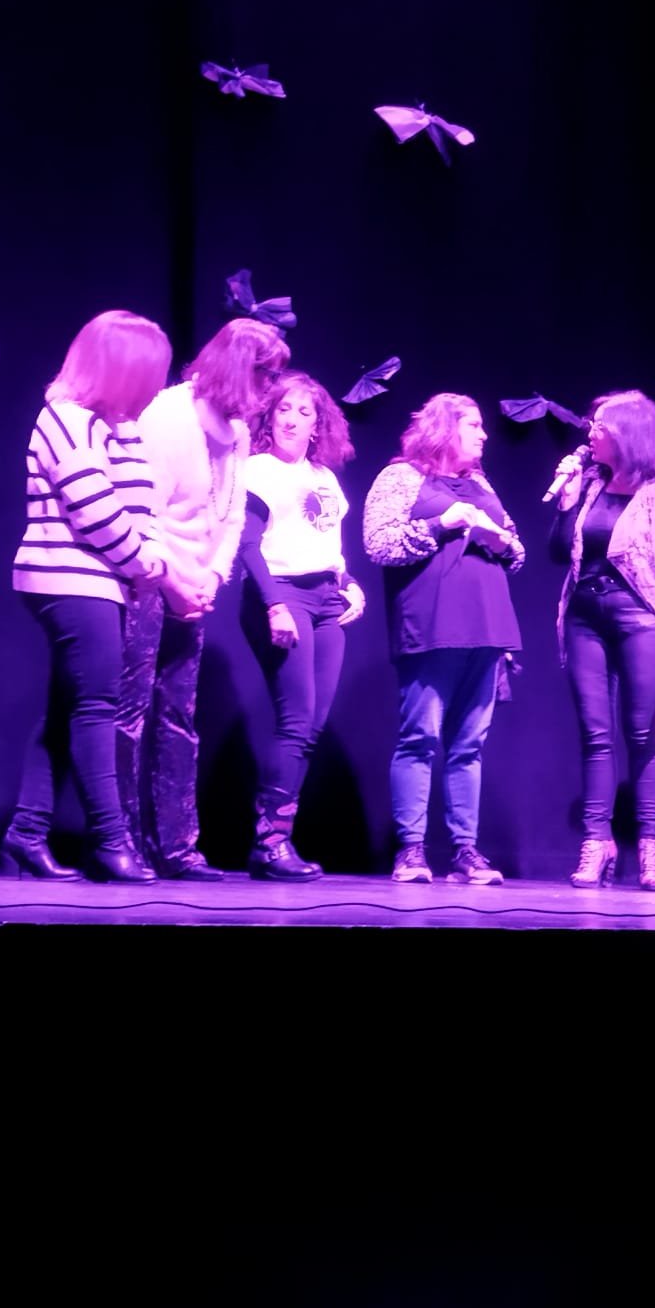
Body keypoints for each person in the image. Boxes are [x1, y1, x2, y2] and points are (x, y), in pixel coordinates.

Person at [6, 310, 202, 883]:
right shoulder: (66, 419)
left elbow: (141, 509)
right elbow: (95, 513)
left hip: (100, 580)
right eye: (149, 374)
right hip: (70, 579)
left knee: (67, 709)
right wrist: (152, 570)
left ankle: (25, 836)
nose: (154, 387)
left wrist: (157, 565)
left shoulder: (115, 425)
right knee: (97, 708)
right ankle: (111, 842)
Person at [118, 317, 291, 879]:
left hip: (193, 587)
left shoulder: (236, 430)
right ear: (239, 370)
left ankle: (176, 848)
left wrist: (211, 578)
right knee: (130, 715)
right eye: (265, 376)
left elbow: (232, 513)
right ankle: (123, 843)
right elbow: (143, 513)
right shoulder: (168, 417)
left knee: (178, 718)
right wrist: (172, 583)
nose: (271, 390)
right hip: (148, 580)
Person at [361, 393, 523, 887]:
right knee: (421, 737)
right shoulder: (400, 477)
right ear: (445, 429)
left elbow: (517, 552)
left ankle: (464, 850)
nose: (484, 434)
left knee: (469, 744)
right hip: (430, 628)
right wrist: (440, 524)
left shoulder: (481, 484)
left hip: (488, 627)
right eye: (473, 425)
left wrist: (503, 542)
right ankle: (411, 849)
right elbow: (379, 544)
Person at [546, 390, 655, 891]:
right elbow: (558, 552)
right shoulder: (591, 480)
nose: (590, 432)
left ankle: (650, 848)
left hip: (641, 617)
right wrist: (566, 502)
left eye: (600, 426)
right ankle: (596, 842)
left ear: (627, 433)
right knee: (595, 734)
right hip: (584, 615)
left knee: (640, 733)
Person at [236, 372, 367, 881]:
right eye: (284, 409)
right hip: (281, 595)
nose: (292, 419)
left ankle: (275, 839)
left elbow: (326, 544)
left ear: (318, 425)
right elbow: (248, 545)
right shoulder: (258, 470)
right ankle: (270, 842)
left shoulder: (324, 477)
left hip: (326, 599)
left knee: (311, 727)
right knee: (294, 721)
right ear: (270, 417)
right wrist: (274, 605)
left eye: (304, 412)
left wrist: (349, 583)